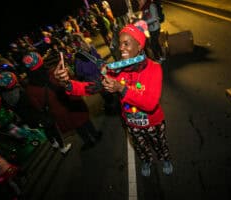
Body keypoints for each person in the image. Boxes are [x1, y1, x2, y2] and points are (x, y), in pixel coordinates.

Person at [53, 23, 173, 176]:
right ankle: (146, 161)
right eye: (120, 43)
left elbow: (150, 104)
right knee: (140, 146)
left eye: (126, 43)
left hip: (153, 122)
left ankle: (165, 159)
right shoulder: (117, 71)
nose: (121, 47)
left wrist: (121, 89)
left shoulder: (154, 68)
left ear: (139, 46)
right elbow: (89, 88)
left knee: (160, 144)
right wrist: (66, 83)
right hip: (131, 123)